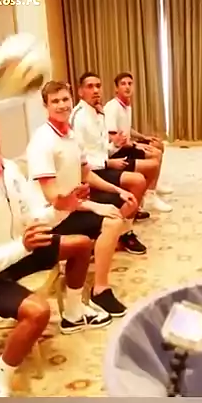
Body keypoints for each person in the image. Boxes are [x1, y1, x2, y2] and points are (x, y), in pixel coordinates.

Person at [0, 100, 109, 398]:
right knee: (38, 312)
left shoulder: (8, 169)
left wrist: (62, 208)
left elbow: (33, 217)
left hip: (15, 251)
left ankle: (74, 313)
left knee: (80, 244)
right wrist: (22, 247)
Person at [27, 81, 135, 320]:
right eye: (55, 101)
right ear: (46, 106)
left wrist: (117, 190)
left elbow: (86, 173)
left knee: (117, 211)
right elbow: (55, 198)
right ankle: (99, 290)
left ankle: (98, 287)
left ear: (71, 100)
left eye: (65, 99)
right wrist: (96, 206)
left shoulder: (71, 135)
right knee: (112, 220)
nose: (62, 105)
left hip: (71, 208)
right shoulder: (42, 141)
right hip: (50, 219)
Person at [70, 71, 148, 254]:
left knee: (138, 182)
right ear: (80, 91)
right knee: (137, 181)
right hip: (91, 171)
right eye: (90, 87)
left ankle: (121, 230)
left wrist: (115, 146)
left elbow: (102, 147)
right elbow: (78, 158)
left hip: (101, 164)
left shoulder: (98, 113)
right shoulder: (79, 117)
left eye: (98, 86)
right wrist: (107, 163)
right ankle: (123, 232)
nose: (96, 90)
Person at [104, 72, 172, 212]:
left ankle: (153, 184)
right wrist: (137, 145)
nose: (127, 87)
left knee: (157, 144)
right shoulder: (112, 107)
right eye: (123, 84)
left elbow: (127, 129)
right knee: (155, 154)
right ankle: (150, 196)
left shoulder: (126, 105)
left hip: (126, 145)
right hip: (116, 152)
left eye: (130, 83)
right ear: (116, 88)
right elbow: (113, 137)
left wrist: (144, 137)